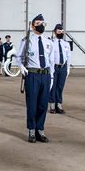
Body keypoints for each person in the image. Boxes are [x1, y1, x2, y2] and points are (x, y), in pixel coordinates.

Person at [16, 14, 55, 143]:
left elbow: (51, 60)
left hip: (45, 75)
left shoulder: (48, 41)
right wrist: (21, 67)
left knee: (43, 105)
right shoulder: (27, 40)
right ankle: (32, 131)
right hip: (32, 75)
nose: (41, 25)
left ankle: (40, 130)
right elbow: (19, 57)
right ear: (32, 26)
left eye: (43, 23)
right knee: (32, 104)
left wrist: (52, 77)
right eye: (38, 23)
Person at [49, 24, 72, 114]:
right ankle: (52, 104)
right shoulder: (51, 42)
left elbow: (68, 56)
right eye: (59, 31)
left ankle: (58, 104)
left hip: (63, 68)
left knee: (60, 87)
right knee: (53, 86)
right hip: (54, 67)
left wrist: (68, 69)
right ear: (55, 32)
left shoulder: (66, 44)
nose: (61, 33)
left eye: (62, 32)